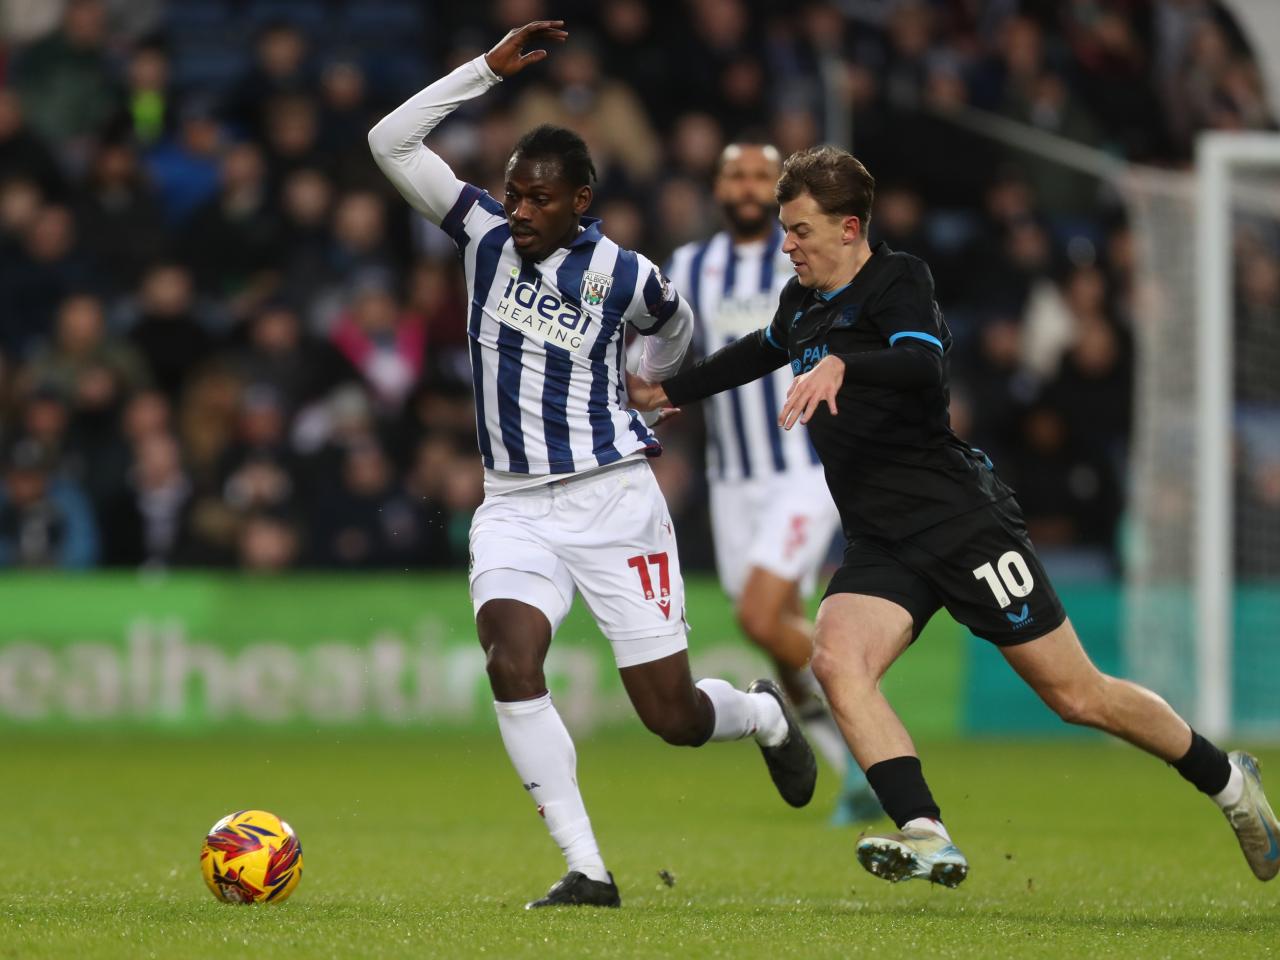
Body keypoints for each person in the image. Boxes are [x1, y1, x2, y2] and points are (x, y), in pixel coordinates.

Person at [629, 144, 1279, 888]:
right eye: (785, 230)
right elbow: (760, 351)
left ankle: (1227, 780)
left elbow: (922, 362)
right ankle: (926, 831)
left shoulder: (899, 280)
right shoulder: (800, 302)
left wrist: (845, 364)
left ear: (849, 227)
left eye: (800, 230)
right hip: (881, 538)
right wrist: (669, 391)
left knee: (1076, 694)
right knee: (837, 661)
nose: (788, 246)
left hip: (960, 522)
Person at [368, 21, 817, 909]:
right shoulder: (480, 235)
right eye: (513, 194)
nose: (520, 211)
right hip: (514, 506)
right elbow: (389, 141)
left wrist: (654, 386)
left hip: (614, 502)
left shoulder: (626, 274)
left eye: (539, 199)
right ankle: (588, 869)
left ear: (580, 199)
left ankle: (763, 714)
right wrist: (484, 71)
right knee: (510, 661)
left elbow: (675, 326)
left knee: (672, 716)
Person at [665, 141, 880, 824]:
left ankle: (868, 720)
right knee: (777, 630)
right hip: (731, 481)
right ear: (719, 188)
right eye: (737, 175)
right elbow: (666, 346)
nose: (749, 186)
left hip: (802, 470)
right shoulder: (689, 267)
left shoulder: (805, 258)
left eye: (762, 175)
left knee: (759, 616)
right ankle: (852, 768)